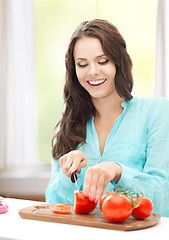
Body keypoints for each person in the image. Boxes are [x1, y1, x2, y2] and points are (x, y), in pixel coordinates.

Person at [46, 19, 169, 217]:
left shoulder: (157, 112)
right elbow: (54, 205)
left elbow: (164, 199)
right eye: (82, 64)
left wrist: (119, 171)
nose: (93, 71)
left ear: (119, 62)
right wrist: (67, 173)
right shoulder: (67, 128)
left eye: (103, 61)